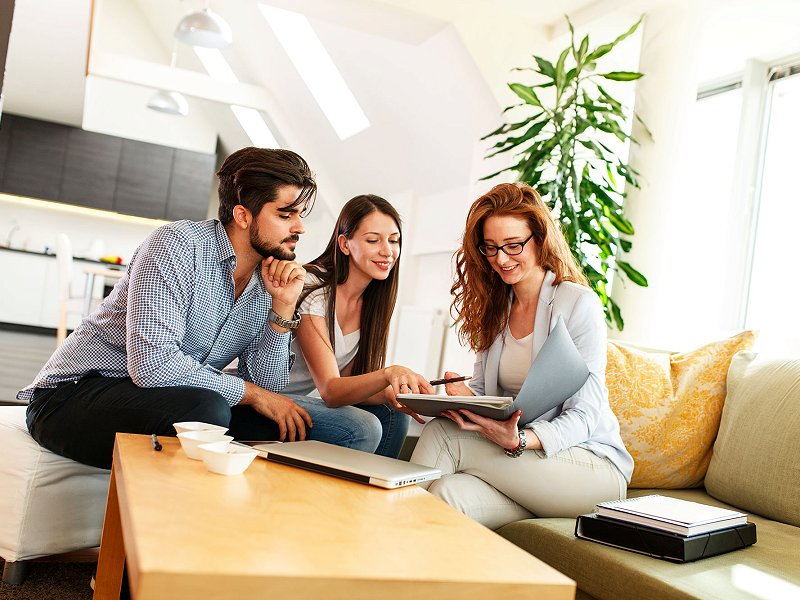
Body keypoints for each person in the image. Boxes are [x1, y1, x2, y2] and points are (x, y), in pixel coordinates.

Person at [19, 147, 386, 469]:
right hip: (73, 396)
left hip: (174, 401)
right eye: (286, 214)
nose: (301, 227)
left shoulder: (269, 281)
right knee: (206, 410)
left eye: (300, 214)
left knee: (355, 428)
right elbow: (152, 365)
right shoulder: (178, 245)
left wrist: (282, 310)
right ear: (243, 216)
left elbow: (267, 388)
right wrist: (253, 395)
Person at [409, 182, 633, 530]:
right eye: (491, 248)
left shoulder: (577, 304)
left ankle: (379, 546)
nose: (501, 258)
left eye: (513, 245)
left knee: (443, 437)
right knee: (447, 493)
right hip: (527, 468)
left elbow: (586, 415)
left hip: (589, 467)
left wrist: (522, 440)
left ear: (540, 240)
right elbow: (492, 398)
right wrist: (460, 399)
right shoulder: (496, 310)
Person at [281, 194, 432, 458]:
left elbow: (349, 382)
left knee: (394, 413)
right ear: (345, 244)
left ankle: (375, 494)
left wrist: (394, 392)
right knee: (364, 427)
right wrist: (388, 373)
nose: (387, 251)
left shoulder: (371, 304)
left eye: (394, 241)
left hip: (302, 401)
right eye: (373, 240)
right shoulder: (313, 291)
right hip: (267, 398)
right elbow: (330, 390)